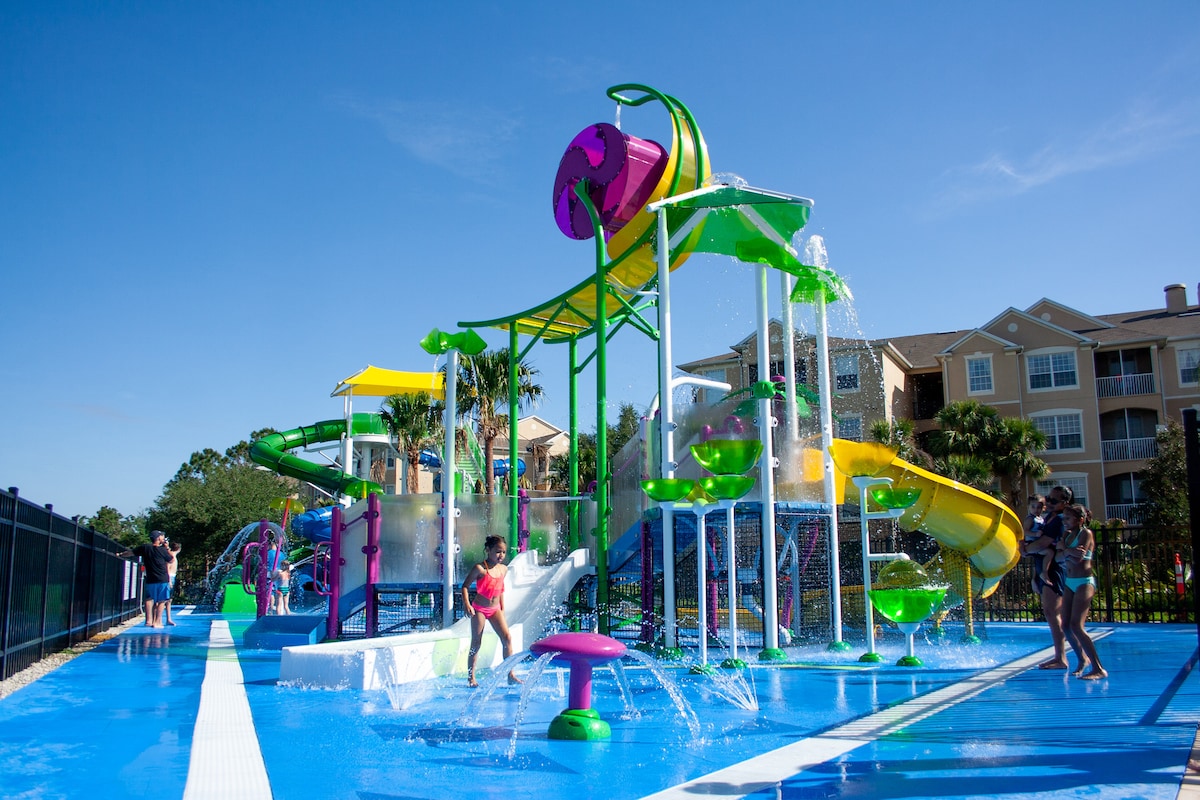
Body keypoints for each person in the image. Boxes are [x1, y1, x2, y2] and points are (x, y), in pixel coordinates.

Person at [1019, 486, 1080, 670]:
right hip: (1044, 568)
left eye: (1054, 501)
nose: (1049, 503)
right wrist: (1035, 575)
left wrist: (1025, 550)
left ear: (1064, 503)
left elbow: (1045, 543)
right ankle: (1060, 656)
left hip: (1054, 570)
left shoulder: (1058, 521)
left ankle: (1062, 657)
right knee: (1051, 614)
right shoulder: (1048, 518)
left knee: (1053, 614)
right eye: (1049, 499)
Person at [461, 535, 519, 687]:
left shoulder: (503, 569)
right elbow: (465, 586)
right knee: (476, 642)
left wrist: (502, 609)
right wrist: (467, 604)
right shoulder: (480, 568)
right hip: (479, 609)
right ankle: (471, 678)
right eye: (498, 551)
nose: (501, 555)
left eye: (504, 552)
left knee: (507, 638)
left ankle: (510, 674)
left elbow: (500, 591)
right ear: (488, 550)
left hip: (495, 609)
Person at [1058, 504, 1108, 679]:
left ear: (1080, 520)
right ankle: (1082, 659)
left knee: (1077, 626)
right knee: (1065, 625)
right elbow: (1059, 556)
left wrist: (1065, 550)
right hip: (1070, 581)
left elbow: (1079, 558)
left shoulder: (1085, 533)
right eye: (1063, 518)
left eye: (1068, 518)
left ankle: (1099, 668)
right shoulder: (1067, 535)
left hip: (1084, 582)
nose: (1064, 522)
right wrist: (1068, 551)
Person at [118, 530, 175, 628]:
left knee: (149, 598)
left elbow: (131, 553)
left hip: (150, 578)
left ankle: (148, 621)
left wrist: (120, 554)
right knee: (162, 600)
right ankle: (157, 622)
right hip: (162, 578)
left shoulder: (145, 548)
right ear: (158, 538)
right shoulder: (162, 550)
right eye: (161, 537)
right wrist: (167, 548)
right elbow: (171, 559)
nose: (163, 538)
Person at [1023, 494, 1046, 594]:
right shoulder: (1030, 519)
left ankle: (1036, 579)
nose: (1036, 509)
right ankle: (1043, 574)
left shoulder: (1040, 518)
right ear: (1028, 507)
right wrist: (1035, 534)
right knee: (1049, 552)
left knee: (1038, 562)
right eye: (1033, 507)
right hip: (1031, 543)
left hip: (1038, 543)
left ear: (1043, 508)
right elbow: (1025, 531)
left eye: (1039, 507)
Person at [163, 541, 182, 626]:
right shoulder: (172, 556)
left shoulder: (172, 555)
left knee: (169, 600)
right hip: (170, 577)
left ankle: (168, 618)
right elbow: (167, 567)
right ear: (179, 549)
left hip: (171, 577)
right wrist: (169, 580)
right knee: (165, 599)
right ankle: (165, 619)